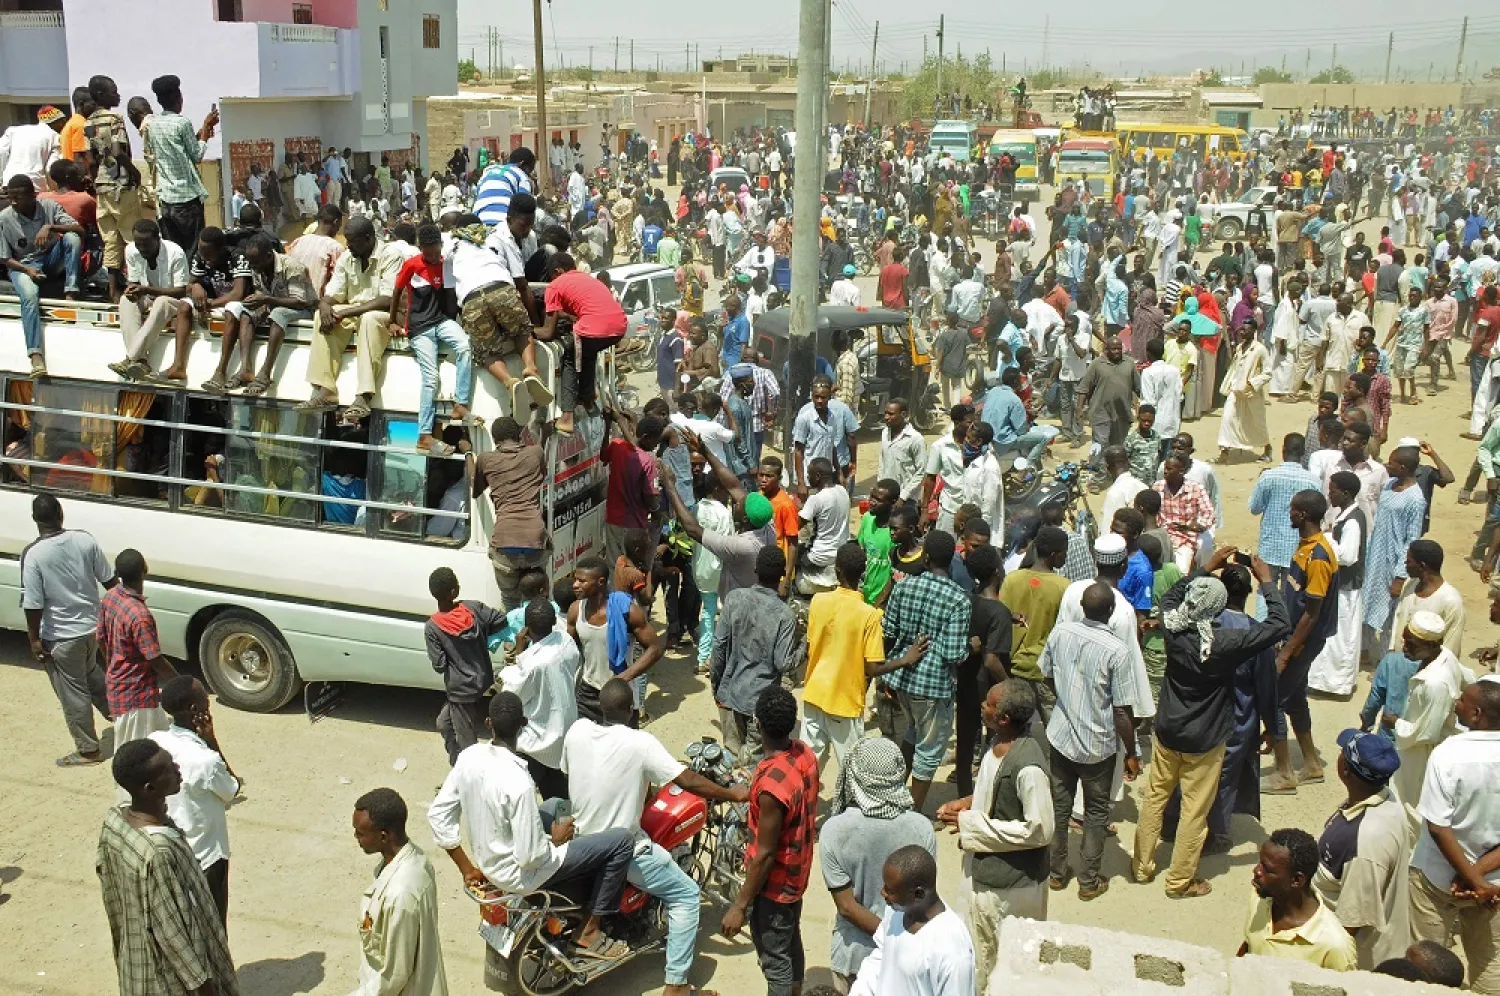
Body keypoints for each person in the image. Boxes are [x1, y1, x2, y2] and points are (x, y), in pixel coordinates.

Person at [563, 679, 750, 996]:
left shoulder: (577, 731)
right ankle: (677, 987)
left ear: (600, 708)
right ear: (631, 710)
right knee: (688, 896)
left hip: (581, 841)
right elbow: (688, 779)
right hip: (623, 850)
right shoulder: (641, 743)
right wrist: (731, 793)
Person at [429, 691, 635, 958]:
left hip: (489, 861)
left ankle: (580, 880)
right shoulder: (518, 781)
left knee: (555, 804)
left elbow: (438, 815)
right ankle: (590, 931)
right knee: (621, 842)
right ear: (524, 724)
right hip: (521, 873)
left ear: (488, 723)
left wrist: (467, 868)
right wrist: (556, 839)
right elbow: (532, 856)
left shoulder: (469, 757)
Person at [1134, 552, 1290, 899]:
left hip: (1169, 729)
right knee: (1195, 810)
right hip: (1205, 737)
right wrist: (1265, 578)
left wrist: (1206, 566)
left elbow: (1173, 596)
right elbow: (1279, 625)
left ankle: (1142, 866)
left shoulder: (1174, 628)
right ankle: (1178, 881)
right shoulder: (1224, 644)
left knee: (1155, 798)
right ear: (1217, 611)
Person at [98, 739, 239, 994]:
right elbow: (171, 933)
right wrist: (205, 987)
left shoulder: (116, 824)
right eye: (167, 768)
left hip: (136, 959)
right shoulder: (158, 853)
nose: (177, 768)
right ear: (150, 788)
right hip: (170, 980)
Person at [938, 679, 1054, 985]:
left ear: (1003, 717)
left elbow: (1040, 829)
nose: (982, 707)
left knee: (1006, 966)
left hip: (1010, 890)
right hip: (985, 877)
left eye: (988, 704)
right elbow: (992, 796)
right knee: (979, 956)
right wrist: (967, 804)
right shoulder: (997, 746)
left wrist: (971, 825)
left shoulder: (1028, 767)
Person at [1039, 581, 1145, 900]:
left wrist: (1069, 704)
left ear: (1082, 607)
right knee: (1096, 813)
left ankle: (1056, 874)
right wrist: (1131, 753)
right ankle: (1088, 881)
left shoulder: (1060, 633)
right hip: (1098, 747)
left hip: (1061, 738)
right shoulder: (1117, 651)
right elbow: (1123, 711)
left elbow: (1045, 674)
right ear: (1110, 611)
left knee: (1059, 807)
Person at [720, 687, 819, 996]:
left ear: (758, 724)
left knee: (774, 957)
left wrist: (739, 905)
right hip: (797, 876)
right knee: (790, 939)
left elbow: (764, 854)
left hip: (774, 887)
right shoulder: (804, 754)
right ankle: (796, 990)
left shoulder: (772, 789)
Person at [820, 737, 939, 991]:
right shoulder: (921, 828)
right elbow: (924, 900)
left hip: (854, 957)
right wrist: (901, 941)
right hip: (909, 959)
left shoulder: (834, 830)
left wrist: (888, 938)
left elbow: (847, 908)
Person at [1408, 679, 1500, 993]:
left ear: (1476, 714)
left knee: (1427, 960)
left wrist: (1469, 879)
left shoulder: (1448, 754)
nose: (1456, 702)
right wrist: (1478, 877)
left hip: (1438, 880)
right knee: (1490, 963)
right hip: (1492, 887)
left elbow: (1437, 826)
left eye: (1461, 700)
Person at [804, 543, 927, 773]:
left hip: (814, 693)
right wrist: (906, 659)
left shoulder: (818, 602)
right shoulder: (869, 616)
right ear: (863, 573)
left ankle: (803, 808)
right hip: (844, 701)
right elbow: (872, 668)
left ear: (837, 570)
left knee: (807, 765)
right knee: (851, 770)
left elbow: (812, 645)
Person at [881, 530, 972, 813]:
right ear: (952, 561)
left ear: (927, 558)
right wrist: (971, 646)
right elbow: (954, 653)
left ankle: (895, 795)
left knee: (912, 732)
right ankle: (913, 811)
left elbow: (889, 631)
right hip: (933, 686)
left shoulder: (904, 587)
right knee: (930, 751)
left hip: (902, 679)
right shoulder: (959, 600)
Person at [22, 494, 116, 766]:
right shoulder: (85, 539)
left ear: (35, 520)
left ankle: (88, 751)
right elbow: (110, 581)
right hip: (91, 630)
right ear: (61, 514)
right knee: (93, 677)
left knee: (73, 692)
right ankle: (124, 718)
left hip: (62, 637)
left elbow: (33, 603)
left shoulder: (34, 554)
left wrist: (34, 640)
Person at [1313, 729, 1414, 970]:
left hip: (1358, 962)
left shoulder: (1365, 841)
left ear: (1346, 770)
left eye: (1342, 753)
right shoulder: (1385, 796)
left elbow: (1351, 920)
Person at [149, 676, 239, 926]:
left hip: (169, 850)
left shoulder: (156, 742)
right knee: (213, 927)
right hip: (207, 857)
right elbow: (232, 788)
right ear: (195, 710)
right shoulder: (205, 760)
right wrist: (212, 740)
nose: (208, 700)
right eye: (205, 698)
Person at [1267, 490, 1340, 794]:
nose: (1289, 513)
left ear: (1303, 515)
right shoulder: (1307, 546)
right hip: (1294, 636)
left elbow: (1312, 613)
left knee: (1274, 700)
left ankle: (1284, 774)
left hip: (1303, 640)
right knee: (1295, 699)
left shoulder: (1320, 556)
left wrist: (1286, 652)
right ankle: (1311, 764)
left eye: (1293, 509)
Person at [350, 787, 449, 995]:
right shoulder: (415, 860)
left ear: (383, 836)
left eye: (361, 833)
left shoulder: (400, 894)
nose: (356, 837)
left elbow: (394, 976)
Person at [845, 846, 975, 996]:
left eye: (890, 891)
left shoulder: (952, 951)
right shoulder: (896, 912)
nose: (883, 893)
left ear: (918, 894)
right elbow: (880, 958)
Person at [390, 222, 474, 454]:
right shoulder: (412, 265)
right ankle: (424, 435)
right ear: (421, 248)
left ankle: (460, 404)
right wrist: (393, 321)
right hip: (419, 328)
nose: (433, 256)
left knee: (466, 345)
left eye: (436, 250)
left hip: (440, 322)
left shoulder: (446, 262)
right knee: (431, 379)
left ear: (440, 245)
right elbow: (396, 291)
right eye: (428, 252)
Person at [711, 546, 796, 761]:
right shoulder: (784, 615)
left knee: (730, 761)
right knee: (754, 767)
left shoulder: (734, 598)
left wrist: (717, 687)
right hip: (760, 706)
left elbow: (719, 646)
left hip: (730, 694)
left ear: (756, 569)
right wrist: (803, 647)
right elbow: (783, 662)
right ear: (782, 575)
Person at [208, 231, 315, 397]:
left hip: (303, 310)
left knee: (279, 313)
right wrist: (258, 303)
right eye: (251, 263)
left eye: (256, 263)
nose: (253, 267)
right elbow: (261, 292)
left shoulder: (292, 266)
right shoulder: (256, 265)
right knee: (246, 312)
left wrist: (267, 300)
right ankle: (245, 369)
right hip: (273, 305)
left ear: (268, 256)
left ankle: (265, 373)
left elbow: (300, 301)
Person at [1239, 827, 1358, 970]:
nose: (1256, 871)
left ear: (1296, 880)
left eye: (1267, 869)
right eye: (1260, 863)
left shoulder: (1334, 946)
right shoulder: (1260, 896)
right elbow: (1250, 945)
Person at [97, 548, 177, 759]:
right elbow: (155, 660)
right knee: (140, 761)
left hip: (120, 690)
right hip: (137, 698)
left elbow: (101, 639)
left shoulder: (111, 597)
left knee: (163, 748)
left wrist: (112, 671)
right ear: (144, 571)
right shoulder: (140, 616)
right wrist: (182, 683)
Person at [424, 567, 507, 765]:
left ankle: (469, 777)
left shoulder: (433, 627)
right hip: (482, 678)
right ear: (453, 592)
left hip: (460, 690)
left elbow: (439, 664)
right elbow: (501, 619)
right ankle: (457, 767)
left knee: (466, 741)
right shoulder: (473, 608)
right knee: (443, 724)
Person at [1, 174, 83, 375]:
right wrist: (27, 270)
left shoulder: (49, 207)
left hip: (50, 258)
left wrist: (50, 226)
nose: (13, 201)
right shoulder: (4, 218)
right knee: (29, 297)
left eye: (18, 197)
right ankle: (35, 355)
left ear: (32, 195)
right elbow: (4, 258)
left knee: (72, 238)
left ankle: (70, 294)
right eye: (11, 197)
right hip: (23, 266)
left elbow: (79, 229)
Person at [1389, 612, 1469, 818]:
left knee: (1411, 803)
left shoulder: (1435, 683)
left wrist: (1396, 723)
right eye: (1405, 640)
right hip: (1418, 744)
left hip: (1423, 752)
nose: (1405, 647)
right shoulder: (1445, 656)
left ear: (1433, 645)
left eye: (1412, 645)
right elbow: (1469, 679)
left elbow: (1427, 734)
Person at [537, 255, 629, 433]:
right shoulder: (588, 279)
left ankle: (566, 418)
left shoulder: (555, 285)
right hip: (619, 327)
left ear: (557, 271)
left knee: (570, 358)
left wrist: (528, 332)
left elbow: (547, 332)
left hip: (595, 328)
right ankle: (588, 399)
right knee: (587, 351)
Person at [499, 601, 579, 800]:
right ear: (553, 621)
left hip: (536, 742)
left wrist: (519, 653)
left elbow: (511, 698)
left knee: (517, 797)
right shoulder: (566, 641)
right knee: (557, 795)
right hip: (563, 733)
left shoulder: (533, 663)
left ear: (526, 628)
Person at [81, 75, 145, 301]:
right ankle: (138, 286)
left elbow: (90, 158)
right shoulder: (115, 118)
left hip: (102, 187)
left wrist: (95, 178)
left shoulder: (88, 122)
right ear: (100, 95)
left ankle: (113, 290)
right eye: (113, 92)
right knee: (132, 237)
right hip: (121, 185)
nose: (117, 95)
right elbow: (118, 152)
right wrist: (134, 171)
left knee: (110, 240)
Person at [1307, 472, 1367, 697]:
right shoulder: (1347, 516)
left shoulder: (1352, 522)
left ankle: (1334, 685)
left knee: (1340, 638)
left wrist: (1328, 539)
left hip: (1345, 589)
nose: (1329, 494)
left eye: (1332, 490)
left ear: (1346, 493)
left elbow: (1348, 556)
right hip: (1339, 587)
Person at [146, 75, 215, 254]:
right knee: (194, 251)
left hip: (166, 200)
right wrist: (206, 132)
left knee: (175, 251)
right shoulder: (182, 122)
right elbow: (196, 155)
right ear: (178, 98)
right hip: (186, 200)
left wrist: (202, 131)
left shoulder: (153, 124)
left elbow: (178, 148)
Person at [1249, 434, 1322, 593]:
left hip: (1269, 547)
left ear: (1283, 450)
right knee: (1290, 598)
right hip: (1298, 550)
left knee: (1265, 595)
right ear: (1303, 452)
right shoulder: (1313, 481)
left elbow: (1254, 508)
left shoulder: (1268, 477)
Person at [1389, 540, 1466, 660]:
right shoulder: (1409, 585)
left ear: (1422, 566)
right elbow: (1399, 618)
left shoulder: (1451, 601)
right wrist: (1392, 651)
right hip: (1399, 663)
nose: (1405, 563)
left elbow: (1451, 647)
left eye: (1409, 561)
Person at [1075, 336, 1140, 463]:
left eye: (1119, 349)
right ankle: (1096, 472)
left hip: (1122, 413)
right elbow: (1084, 388)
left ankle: (1113, 473)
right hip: (1100, 412)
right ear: (1106, 349)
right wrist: (1079, 409)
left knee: (1118, 446)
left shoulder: (1129, 363)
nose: (1117, 352)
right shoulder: (1097, 364)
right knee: (1100, 443)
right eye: (1113, 349)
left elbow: (1138, 387)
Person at [792, 376, 859, 493]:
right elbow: (798, 451)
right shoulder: (805, 418)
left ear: (829, 398)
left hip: (827, 476)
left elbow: (832, 447)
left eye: (823, 397)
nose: (819, 400)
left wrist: (839, 473)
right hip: (810, 478)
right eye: (816, 397)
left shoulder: (832, 417)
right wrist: (801, 483)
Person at [1218, 323, 1273, 461]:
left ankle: (1267, 448)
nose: (1241, 331)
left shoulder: (1260, 349)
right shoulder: (1239, 347)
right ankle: (1224, 451)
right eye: (1241, 328)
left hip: (1251, 392)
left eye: (1245, 329)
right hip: (1235, 389)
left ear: (1253, 331)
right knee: (1227, 417)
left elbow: (1268, 372)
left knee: (1257, 421)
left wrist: (1253, 383)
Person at [1153, 454, 1216, 572]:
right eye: (1165, 468)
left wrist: (1195, 526)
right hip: (1163, 536)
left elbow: (1208, 512)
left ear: (1181, 470)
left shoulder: (1196, 488)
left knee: (1180, 573)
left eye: (1169, 469)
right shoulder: (1158, 487)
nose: (1165, 472)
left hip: (1186, 537)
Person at [878, 400, 927, 502]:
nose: (886, 417)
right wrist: (879, 486)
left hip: (907, 499)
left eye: (891, 414)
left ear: (903, 414)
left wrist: (903, 497)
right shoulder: (885, 433)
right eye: (885, 413)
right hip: (886, 495)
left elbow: (921, 471)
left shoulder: (915, 439)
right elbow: (882, 461)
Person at [1099, 445, 1149, 534]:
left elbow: (1106, 532)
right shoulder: (1144, 487)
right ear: (1128, 462)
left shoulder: (1114, 493)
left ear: (1107, 467)